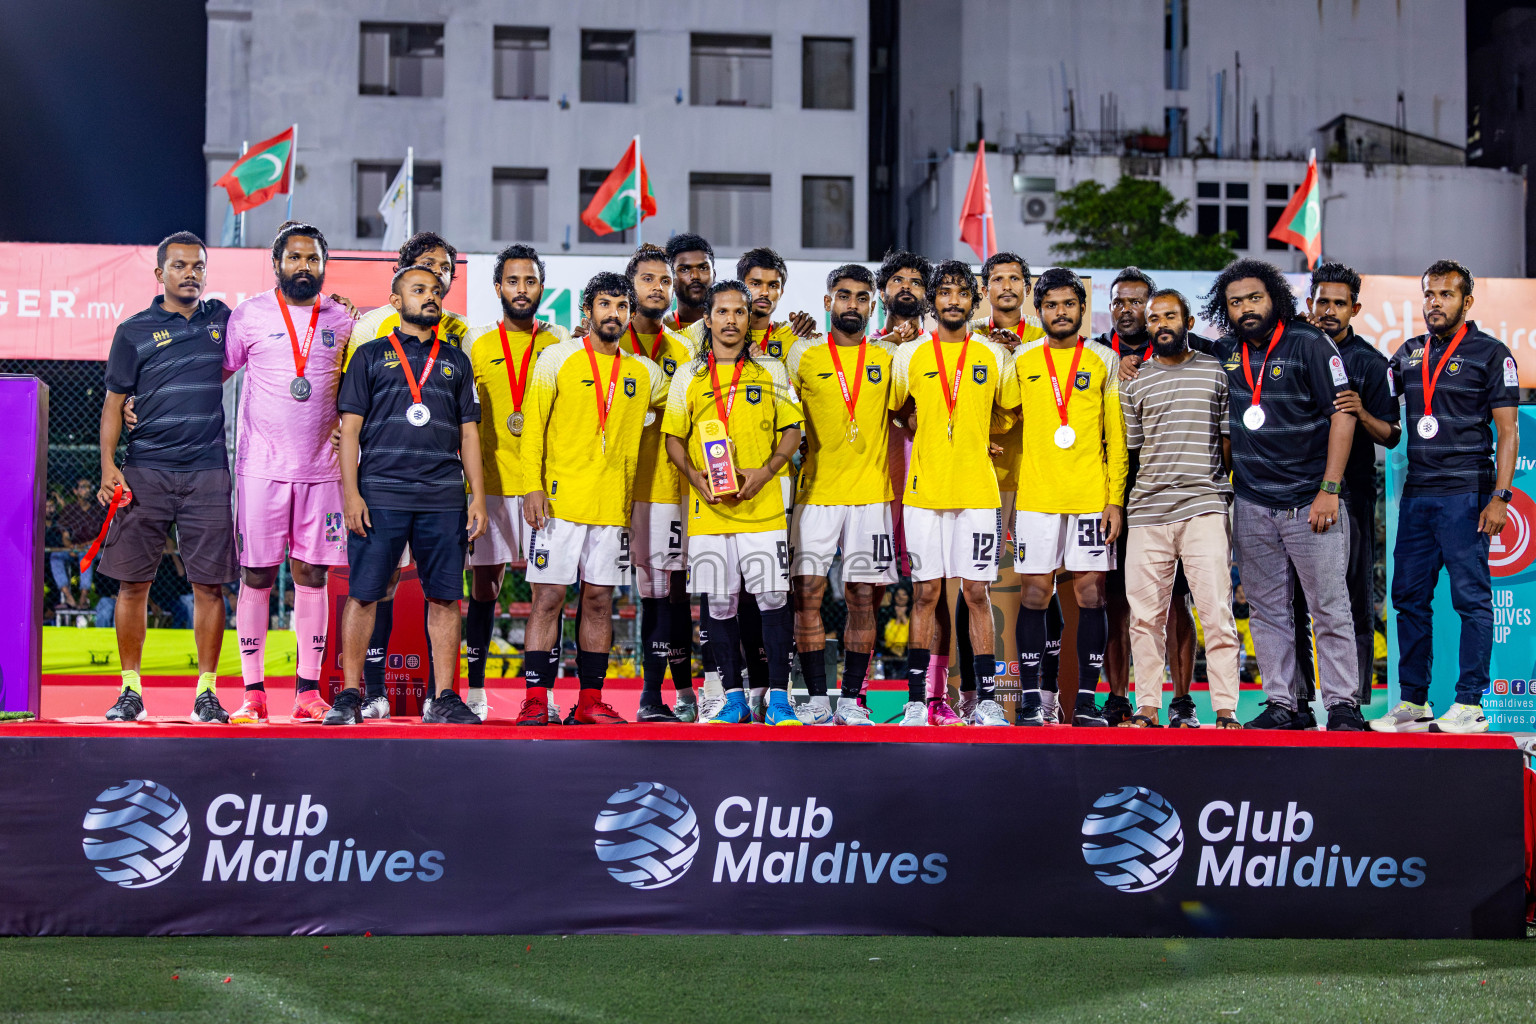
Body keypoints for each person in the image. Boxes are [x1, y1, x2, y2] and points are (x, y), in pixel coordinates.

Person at [1202, 258, 1366, 731]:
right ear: (1225, 309)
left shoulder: (1309, 342)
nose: (1247, 308)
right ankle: (1283, 704)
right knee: (1268, 611)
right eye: (1236, 302)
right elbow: (1181, 353)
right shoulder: (1225, 351)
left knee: (1329, 606)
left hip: (1310, 501)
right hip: (1252, 503)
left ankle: (1341, 705)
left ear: (1275, 296)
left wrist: (1329, 489)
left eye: (1255, 297)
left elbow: (1343, 415)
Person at [328, 266, 487, 725]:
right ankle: (351, 695)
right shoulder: (370, 356)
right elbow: (350, 430)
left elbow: (470, 434)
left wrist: (476, 496)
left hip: (442, 496)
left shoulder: (457, 360)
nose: (431, 297)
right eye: (419, 290)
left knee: (443, 597)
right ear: (396, 302)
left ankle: (443, 698)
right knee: (364, 594)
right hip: (380, 493)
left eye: (436, 291)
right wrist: (351, 494)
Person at [97, 231, 238, 722]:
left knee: (210, 586)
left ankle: (206, 692)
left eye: (198, 265)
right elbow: (114, 405)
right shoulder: (132, 331)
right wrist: (109, 466)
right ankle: (131, 689)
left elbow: (275, 321)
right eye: (179, 266)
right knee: (133, 584)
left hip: (207, 474)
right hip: (145, 471)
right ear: (160, 274)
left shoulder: (223, 319)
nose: (190, 273)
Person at [1373, 259, 1519, 735]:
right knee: (1408, 598)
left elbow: (1508, 431)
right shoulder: (1408, 353)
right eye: (1429, 295)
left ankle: (1470, 705)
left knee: (1470, 599)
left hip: (1467, 494)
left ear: (1467, 301)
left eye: (1445, 294)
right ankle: (1413, 704)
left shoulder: (1492, 354)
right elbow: (1378, 393)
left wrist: (1500, 497)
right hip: (1417, 495)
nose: (1434, 303)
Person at [517, 272, 668, 726]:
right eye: (605, 305)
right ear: (587, 312)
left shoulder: (645, 372)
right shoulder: (556, 359)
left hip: (613, 507)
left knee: (600, 601)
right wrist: (532, 485)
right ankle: (536, 699)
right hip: (558, 505)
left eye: (622, 307)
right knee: (547, 600)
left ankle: (589, 700)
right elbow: (532, 426)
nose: (614, 314)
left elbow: (682, 399)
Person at [220, 223, 354, 725]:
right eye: (295, 258)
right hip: (261, 470)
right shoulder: (249, 315)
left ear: (324, 264)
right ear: (277, 263)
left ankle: (307, 691)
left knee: (312, 575)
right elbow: (215, 372)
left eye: (313, 259)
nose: (304, 267)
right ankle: (253, 693)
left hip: (322, 470)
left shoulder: (343, 319)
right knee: (256, 574)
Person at [663, 281, 804, 726]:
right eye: (721, 312)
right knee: (720, 606)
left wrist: (766, 471)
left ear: (749, 318)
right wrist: (695, 480)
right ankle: (733, 697)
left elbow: (793, 431)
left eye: (739, 312)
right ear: (707, 318)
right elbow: (673, 439)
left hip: (762, 509)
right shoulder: (690, 375)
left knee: (774, 600)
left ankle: (780, 699)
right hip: (709, 512)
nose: (730, 320)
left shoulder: (771, 371)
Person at [890, 259, 1018, 727]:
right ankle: (918, 702)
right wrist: (920, 426)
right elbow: (898, 410)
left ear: (974, 299)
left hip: (978, 494)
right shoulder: (910, 355)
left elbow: (1010, 412)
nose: (952, 300)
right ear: (933, 300)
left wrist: (979, 433)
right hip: (924, 494)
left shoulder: (993, 355)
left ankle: (985, 701)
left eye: (962, 293)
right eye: (944, 292)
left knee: (977, 593)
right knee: (925, 595)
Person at [1118, 289, 1242, 729]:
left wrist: (1217, 488)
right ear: (1147, 327)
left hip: (1205, 507)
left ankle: (1226, 710)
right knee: (1145, 619)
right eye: (1155, 318)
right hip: (1148, 511)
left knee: (1216, 613)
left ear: (1188, 322)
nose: (1162, 323)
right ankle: (1147, 708)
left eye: (1171, 315)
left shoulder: (1215, 372)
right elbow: (1134, 449)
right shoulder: (1134, 381)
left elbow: (1228, 442)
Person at [1009, 267, 1126, 728]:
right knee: (1034, 594)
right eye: (1051, 305)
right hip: (1037, 497)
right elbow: (999, 415)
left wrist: (1114, 499)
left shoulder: (1102, 360)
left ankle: (1083, 703)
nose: (1061, 312)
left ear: (1082, 308)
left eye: (1069, 304)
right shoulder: (1020, 359)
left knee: (1092, 595)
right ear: (1038, 312)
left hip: (1089, 497)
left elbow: (1115, 437)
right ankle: (1034, 703)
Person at [786, 264, 897, 726]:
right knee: (807, 596)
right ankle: (814, 699)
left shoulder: (892, 357)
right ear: (828, 301)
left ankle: (852, 700)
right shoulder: (801, 356)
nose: (852, 304)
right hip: (815, 494)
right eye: (843, 295)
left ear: (873, 306)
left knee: (861, 598)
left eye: (861, 297)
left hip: (871, 496)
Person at [463, 244, 568, 723]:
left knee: (550, 591)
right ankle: (477, 690)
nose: (521, 290)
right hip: (491, 486)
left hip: (544, 486)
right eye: (512, 281)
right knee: (484, 588)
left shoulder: (561, 343)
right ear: (498, 287)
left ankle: (540, 692)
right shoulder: (478, 345)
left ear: (541, 287)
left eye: (529, 281)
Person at [1095, 267, 1198, 727]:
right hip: (1109, 496)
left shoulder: (1184, 354)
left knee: (1175, 602)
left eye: (1137, 302)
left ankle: (1181, 702)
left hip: (1167, 496)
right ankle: (1117, 698)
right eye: (1118, 301)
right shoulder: (1095, 354)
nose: (1127, 309)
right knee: (1115, 599)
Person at [1306, 261, 1400, 707]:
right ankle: (1297, 699)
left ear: (1355, 308)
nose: (1329, 310)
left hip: (1352, 493)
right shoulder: (1290, 349)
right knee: (1291, 601)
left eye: (1339, 303)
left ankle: (1353, 703)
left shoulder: (1370, 362)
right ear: (1309, 303)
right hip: (1293, 492)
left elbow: (1393, 435)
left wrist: (1361, 413)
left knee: (1352, 595)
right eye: (1322, 301)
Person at [962, 251, 1046, 718]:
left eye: (1016, 278)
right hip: (986, 478)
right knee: (974, 588)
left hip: (1038, 477)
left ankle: (1043, 697)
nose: (1007, 286)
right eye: (998, 279)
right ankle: (972, 695)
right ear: (985, 289)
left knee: (1042, 584)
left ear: (1027, 288)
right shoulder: (968, 340)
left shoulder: (1045, 337)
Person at [622, 245, 700, 723]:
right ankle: (658, 695)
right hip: (620, 490)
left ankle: (667, 695)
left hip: (671, 490)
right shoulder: (609, 342)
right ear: (630, 287)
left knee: (673, 594)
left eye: (664, 281)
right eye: (648, 279)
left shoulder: (686, 349)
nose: (658, 287)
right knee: (623, 594)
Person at [55, 479, 104, 608]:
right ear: (75, 491)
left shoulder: (98, 509)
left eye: (89, 487)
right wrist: (69, 546)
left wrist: (80, 547)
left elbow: (102, 536)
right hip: (75, 548)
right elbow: (65, 535)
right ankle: (68, 596)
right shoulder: (69, 510)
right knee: (56, 555)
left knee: (85, 553)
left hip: (95, 549)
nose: (87, 490)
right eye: (83, 487)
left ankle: (84, 596)